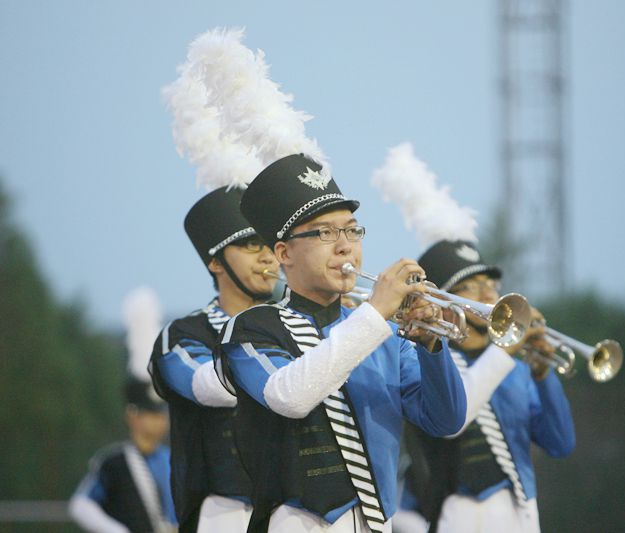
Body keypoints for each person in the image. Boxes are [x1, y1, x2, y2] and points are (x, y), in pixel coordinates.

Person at [215, 153, 468, 533]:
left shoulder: (384, 334)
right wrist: (377, 311)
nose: (345, 246)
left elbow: (446, 421)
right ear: (284, 253)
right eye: (324, 233)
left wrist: (432, 346)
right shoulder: (252, 329)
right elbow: (290, 397)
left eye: (352, 231)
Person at [402, 239, 575, 533]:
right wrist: (504, 352)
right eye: (470, 287)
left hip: (519, 514)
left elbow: (561, 443)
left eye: (491, 285)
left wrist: (543, 375)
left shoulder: (514, 369)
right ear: (441, 298)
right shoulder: (428, 362)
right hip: (453, 516)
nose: (488, 295)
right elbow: (453, 421)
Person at [149, 187, 278, 532]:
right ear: (215, 262)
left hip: (295, 512)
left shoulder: (294, 325)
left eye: (270, 244)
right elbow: (208, 386)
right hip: (224, 513)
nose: (268, 257)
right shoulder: (182, 334)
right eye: (251, 245)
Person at [69, 379, 177, 533]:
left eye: (163, 414)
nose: (161, 420)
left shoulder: (173, 459)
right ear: (133, 416)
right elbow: (80, 505)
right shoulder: (114, 462)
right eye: (152, 414)